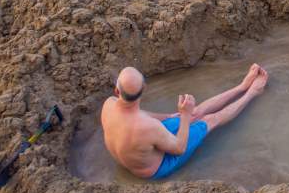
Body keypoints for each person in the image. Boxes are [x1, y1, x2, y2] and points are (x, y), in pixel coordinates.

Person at [101, 64, 268, 179]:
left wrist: (174, 116)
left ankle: (242, 86)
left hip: (140, 154)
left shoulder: (109, 104)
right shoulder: (148, 127)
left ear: (117, 91)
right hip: (158, 167)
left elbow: (141, 114)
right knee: (208, 120)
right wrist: (186, 116)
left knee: (193, 113)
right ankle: (253, 92)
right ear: (144, 89)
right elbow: (179, 148)